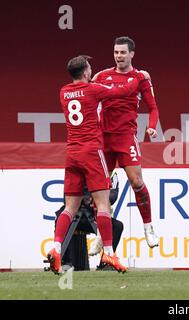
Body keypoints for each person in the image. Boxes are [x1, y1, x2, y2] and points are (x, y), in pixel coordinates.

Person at [46, 55, 145, 274]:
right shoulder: (93, 90)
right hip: (91, 152)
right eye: (90, 68)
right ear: (85, 72)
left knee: (70, 208)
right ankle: (109, 253)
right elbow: (122, 92)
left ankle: (55, 248)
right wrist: (136, 78)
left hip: (71, 154)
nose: (92, 71)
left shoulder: (63, 92)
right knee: (102, 205)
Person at [92, 36, 160, 249]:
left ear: (131, 54)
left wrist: (151, 126)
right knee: (100, 188)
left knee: (137, 181)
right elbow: (88, 101)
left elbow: (153, 108)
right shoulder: (102, 76)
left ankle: (148, 227)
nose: (119, 56)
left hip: (126, 137)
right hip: (104, 138)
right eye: (116, 52)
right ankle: (102, 235)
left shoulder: (140, 77)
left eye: (123, 52)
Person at [55, 172, 124, 271]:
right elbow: (67, 197)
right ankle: (64, 262)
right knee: (60, 218)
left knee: (117, 226)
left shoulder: (112, 172)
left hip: (95, 215)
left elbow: (113, 196)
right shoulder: (80, 169)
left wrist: (95, 197)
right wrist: (88, 198)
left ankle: (105, 263)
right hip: (76, 211)